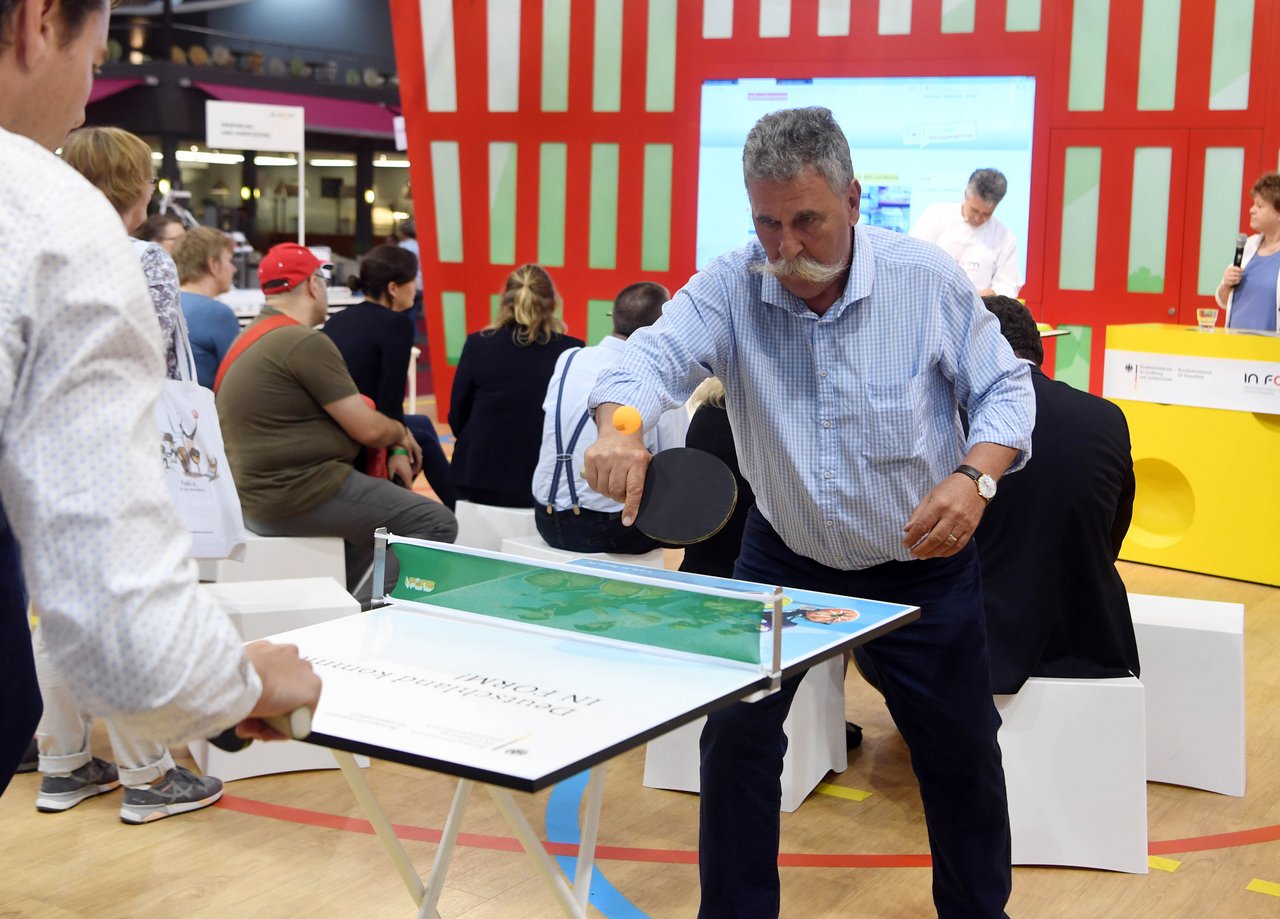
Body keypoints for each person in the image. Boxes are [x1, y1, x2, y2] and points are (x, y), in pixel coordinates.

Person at [584, 107, 1034, 918]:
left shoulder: (925, 280)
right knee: (737, 743)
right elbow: (646, 358)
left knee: (962, 754)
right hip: (783, 555)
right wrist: (619, 426)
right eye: (766, 222)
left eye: (806, 221)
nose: (785, 249)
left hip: (920, 570)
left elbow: (1005, 388)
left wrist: (976, 476)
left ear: (854, 199)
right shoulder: (730, 283)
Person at [0, 0, 320, 799]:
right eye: (96, 61)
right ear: (37, 24)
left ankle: (69, 757)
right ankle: (147, 775)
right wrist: (238, 684)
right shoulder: (49, 225)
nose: (83, 99)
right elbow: (113, 611)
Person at [44, 124, 225, 821]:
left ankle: (63, 760)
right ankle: (147, 775)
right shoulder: (143, 259)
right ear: (136, 185)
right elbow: (159, 365)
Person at [216, 243, 458, 605]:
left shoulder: (253, 336)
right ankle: (367, 619)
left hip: (256, 495)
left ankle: (348, 601)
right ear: (314, 284)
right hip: (300, 492)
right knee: (437, 523)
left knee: (372, 538)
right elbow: (370, 429)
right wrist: (400, 433)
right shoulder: (301, 341)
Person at [973, 295, 1139, 693]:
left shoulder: (959, 417)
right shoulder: (1106, 416)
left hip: (983, 648)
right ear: (1039, 349)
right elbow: (1114, 530)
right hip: (1094, 640)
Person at [531, 281, 686, 553]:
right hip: (610, 527)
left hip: (545, 516)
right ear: (662, 326)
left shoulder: (569, 358)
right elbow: (675, 458)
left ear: (612, 317)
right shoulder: (659, 377)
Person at [323, 243, 457, 510]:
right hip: (362, 436)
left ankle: (459, 508)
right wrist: (396, 449)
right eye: (413, 280)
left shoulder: (338, 320)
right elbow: (390, 397)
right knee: (425, 440)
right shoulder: (396, 325)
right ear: (393, 288)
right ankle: (460, 513)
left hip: (334, 427)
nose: (417, 288)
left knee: (420, 423)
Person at [449, 264, 583, 507]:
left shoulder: (478, 344)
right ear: (553, 302)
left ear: (505, 301)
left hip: (476, 478)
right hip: (542, 483)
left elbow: (457, 415)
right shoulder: (571, 351)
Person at [910, 167, 1022, 298]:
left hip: (980, 309)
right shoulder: (935, 216)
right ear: (965, 194)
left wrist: (992, 293)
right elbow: (914, 259)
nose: (978, 218)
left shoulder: (1004, 237)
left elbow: (1008, 285)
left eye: (986, 214)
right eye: (974, 210)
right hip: (932, 301)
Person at [174, 226, 242, 389]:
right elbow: (239, 379)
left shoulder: (166, 303)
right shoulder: (217, 314)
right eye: (229, 260)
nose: (234, 269)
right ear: (213, 265)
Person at [1215, 171, 1280, 332]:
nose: (1251, 210)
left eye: (1259, 205)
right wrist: (1227, 285)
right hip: (1236, 350)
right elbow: (1223, 301)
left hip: (1270, 353)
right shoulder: (1249, 246)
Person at [394, 218, 425, 343]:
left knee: (402, 315)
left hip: (406, 283)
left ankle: (406, 340)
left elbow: (400, 266)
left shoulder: (402, 246)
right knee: (412, 315)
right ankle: (413, 339)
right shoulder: (419, 245)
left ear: (402, 232)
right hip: (420, 284)